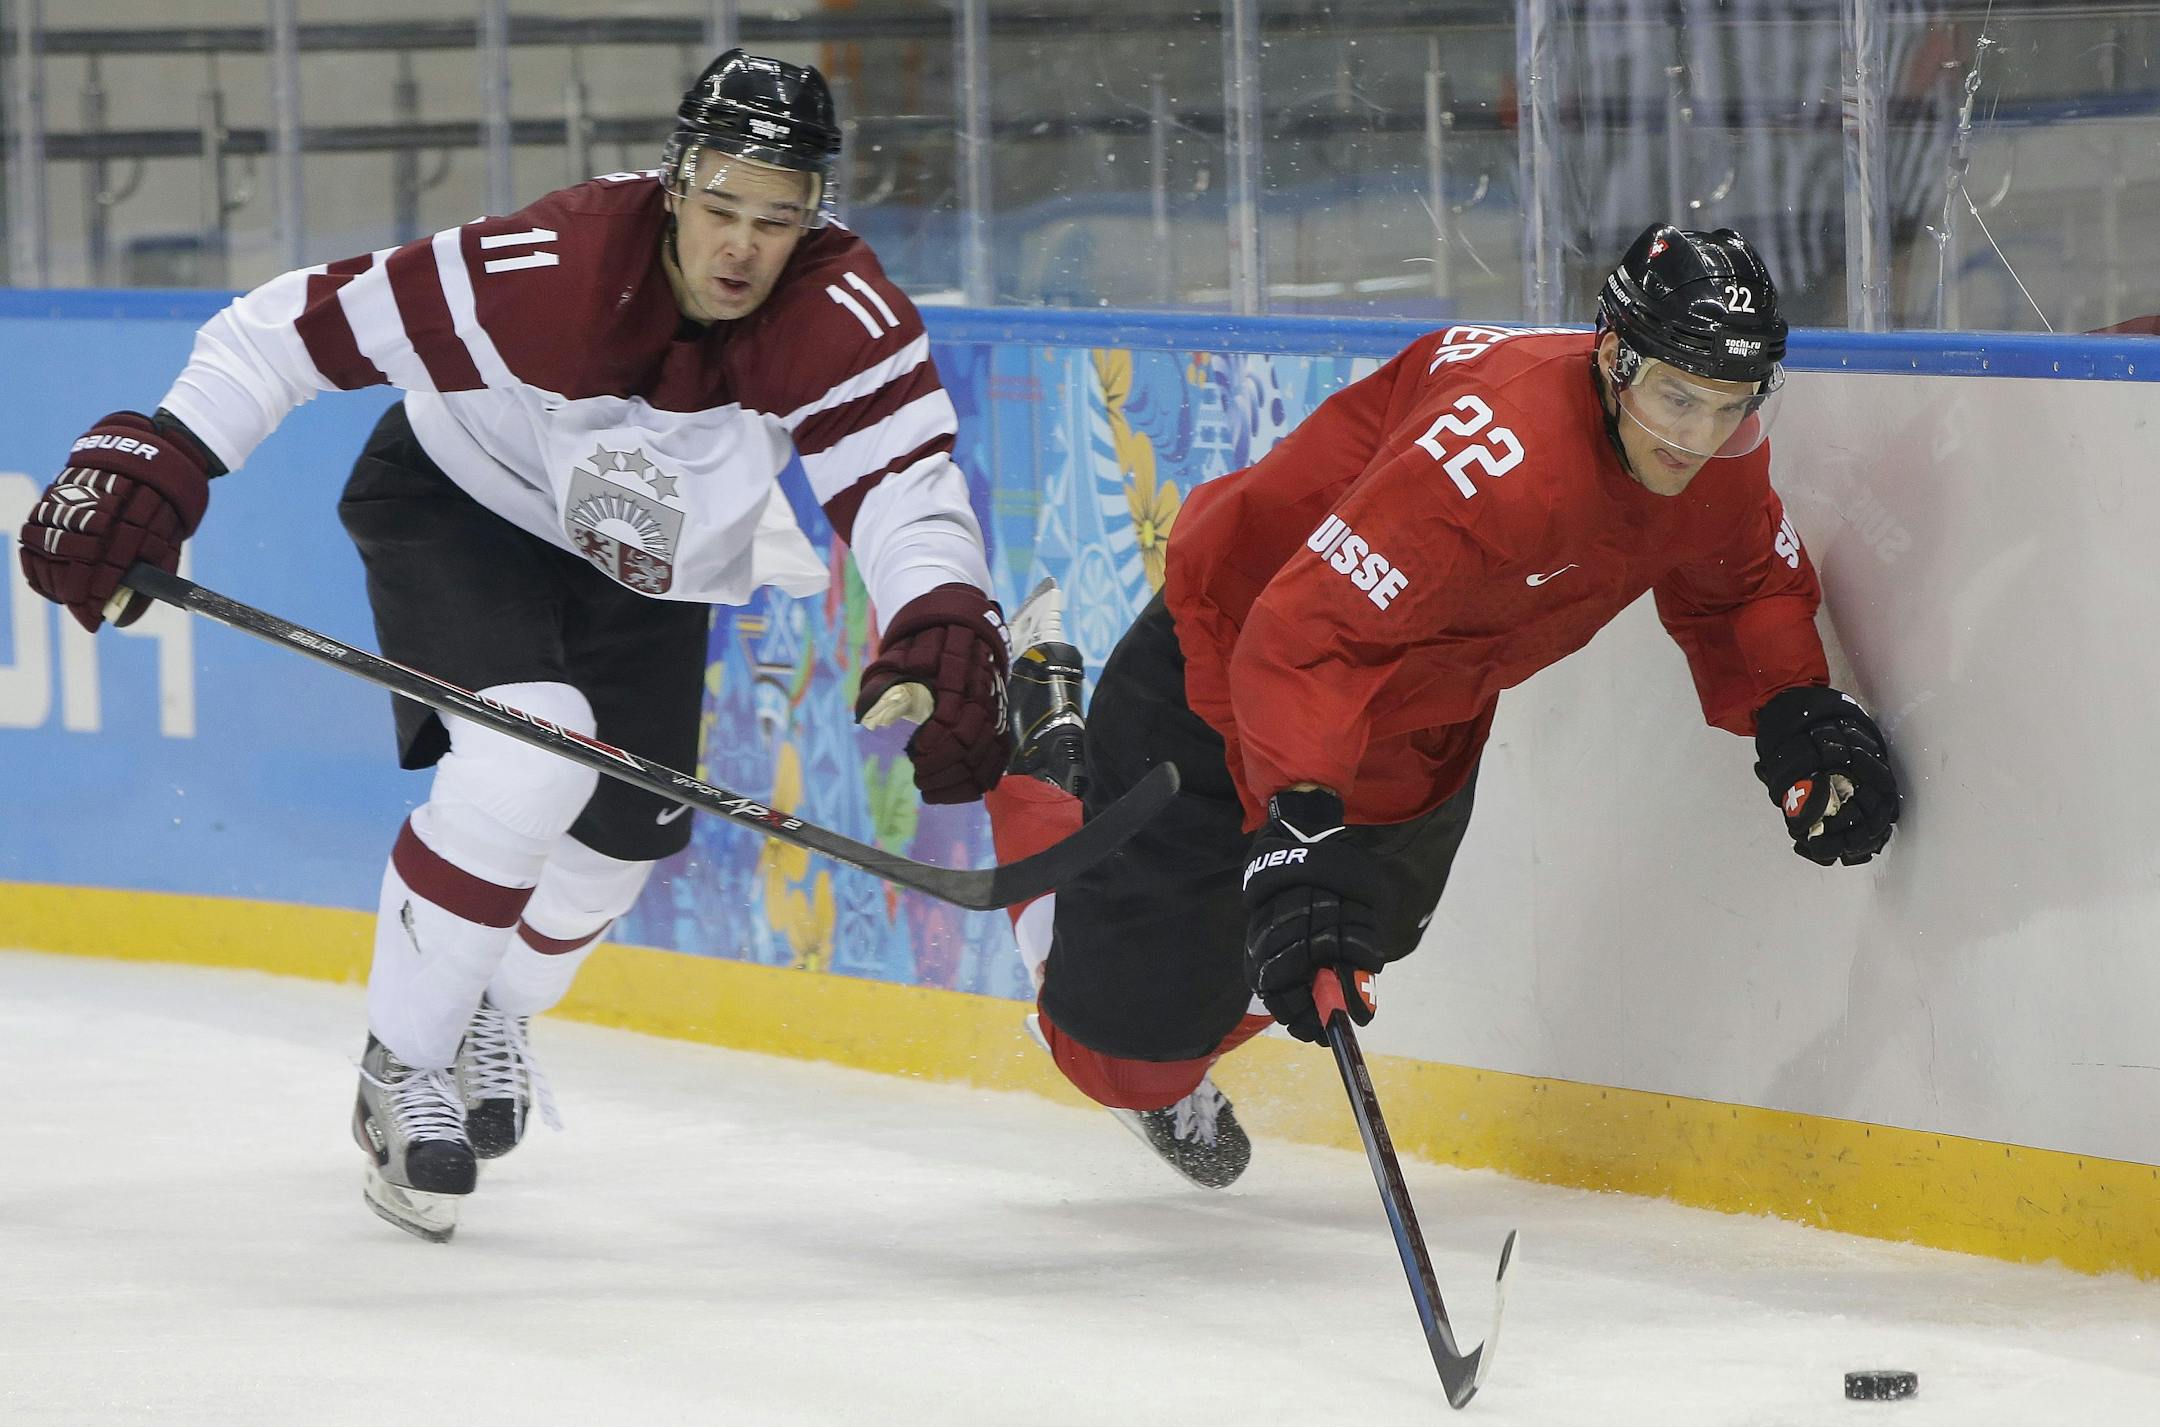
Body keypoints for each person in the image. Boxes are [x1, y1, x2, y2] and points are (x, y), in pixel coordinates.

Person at [17, 50, 1012, 1241]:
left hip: (651, 560)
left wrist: (945, 614)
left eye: (778, 219)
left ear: (816, 216)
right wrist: (164, 453)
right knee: (530, 755)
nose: (744, 248)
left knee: (618, 849)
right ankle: (403, 1066)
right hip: (460, 508)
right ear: (676, 180)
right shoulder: (547, 267)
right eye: (721, 209)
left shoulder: (839, 317)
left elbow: (903, 486)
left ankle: (496, 1002)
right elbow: (280, 331)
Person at [989, 223, 1902, 1187]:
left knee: (1346, 949)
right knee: (1117, 1056)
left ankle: (1189, 998)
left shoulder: (1716, 450)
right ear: (1612, 356)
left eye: (1728, 405)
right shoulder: (1491, 457)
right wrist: (1295, 824)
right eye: (1677, 397)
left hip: (1418, 705)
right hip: (1229, 660)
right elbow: (1305, 638)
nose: (1696, 437)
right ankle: (1049, 754)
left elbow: (1744, 579)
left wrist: (1796, 708)